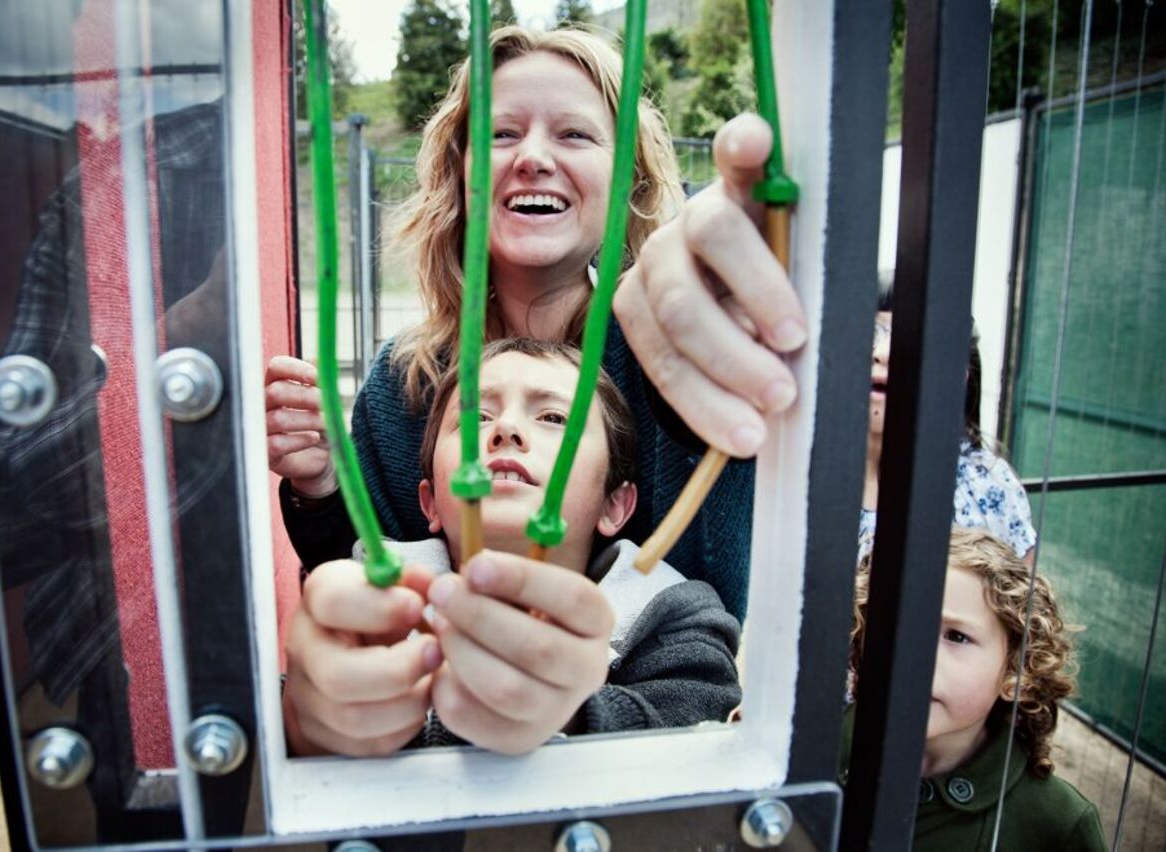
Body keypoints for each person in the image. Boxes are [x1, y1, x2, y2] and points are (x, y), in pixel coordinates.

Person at [267, 25, 808, 622]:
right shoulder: (403, 383)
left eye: (575, 134)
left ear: (629, 176)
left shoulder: (676, 341)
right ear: (461, 173)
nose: (533, 158)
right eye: (501, 134)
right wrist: (320, 490)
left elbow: (727, 568)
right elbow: (373, 577)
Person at [282, 338, 741, 757]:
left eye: (555, 418)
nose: (505, 428)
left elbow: (692, 727)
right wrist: (302, 726)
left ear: (615, 505)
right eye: (474, 417)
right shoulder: (374, 603)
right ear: (430, 503)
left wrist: (569, 717)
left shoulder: (673, 618)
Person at [845, 527, 1105, 851]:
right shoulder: (820, 739)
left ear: (1016, 672)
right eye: (895, 620)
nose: (913, 656)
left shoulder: (1057, 823)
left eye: (956, 636)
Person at [859, 272, 1037, 563]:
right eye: (870, 334)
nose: (882, 352)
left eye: (908, 340)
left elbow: (1021, 602)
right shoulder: (792, 476)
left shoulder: (988, 485)